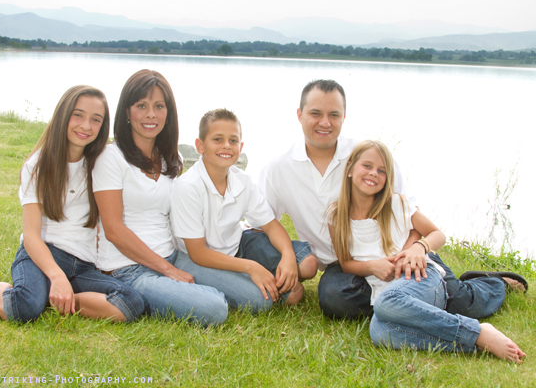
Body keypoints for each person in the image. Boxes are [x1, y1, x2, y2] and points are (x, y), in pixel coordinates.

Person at [258, 79, 526, 320]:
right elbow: (262, 223)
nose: (325, 122)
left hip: (397, 252)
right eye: (315, 113)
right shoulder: (278, 169)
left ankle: (491, 284)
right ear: (299, 114)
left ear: (344, 117)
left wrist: (407, 255)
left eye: (334, 115)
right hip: (346, 266)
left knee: (465, 305)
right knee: (334, 299)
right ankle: (402, 303)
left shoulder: (369, 158)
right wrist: (287, 257)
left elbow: (408, 215)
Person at [0, 85, 145, 323]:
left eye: (95, 119)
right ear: (63, 115)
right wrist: (56, 276)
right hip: (42, 255)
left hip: (83, 265)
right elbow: (31, 236)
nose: (86, 126)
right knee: (23, 308)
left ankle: (55, 297)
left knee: (131, 302)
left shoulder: (101, 164)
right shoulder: (38, 164)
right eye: (78, 115)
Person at [328, 140, 525, 363]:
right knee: (380, 332)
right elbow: (345, 263)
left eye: (382, 170)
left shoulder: (396, 204)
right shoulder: (336, 215)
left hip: (420, 277)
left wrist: (418, 247)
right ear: (350, 168)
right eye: (368, 166)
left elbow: (437, 234)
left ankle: (479, 331)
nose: (374, 173)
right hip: (387, 289)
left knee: (387, 302)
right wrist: (372, 266)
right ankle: (473, 344)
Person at [92, 70, 228, 327]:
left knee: (255, 298)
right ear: (126, 112)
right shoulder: (111, 157)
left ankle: (172, 294)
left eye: (159, 106)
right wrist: (169, 273)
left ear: (169, 112)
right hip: (127, 269)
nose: (151, 115)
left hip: (172, 254)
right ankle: (152, 297)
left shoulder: (169, 157)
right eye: (141, 106)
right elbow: (113, 230)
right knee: (215, 308)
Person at [170, 109, 318, 312]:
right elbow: (198, 253)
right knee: (265, 300)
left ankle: (268, 275)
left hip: (237, 246)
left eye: (233, 140)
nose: (226, 146)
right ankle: (250, 279)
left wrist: (288, 257)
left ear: (241, 146)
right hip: (197, 259)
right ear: (200, 145)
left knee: (307, 265)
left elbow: (271, 225)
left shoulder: (243, 181)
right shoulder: (188, 187)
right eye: (218, 139)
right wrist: (251, 267)